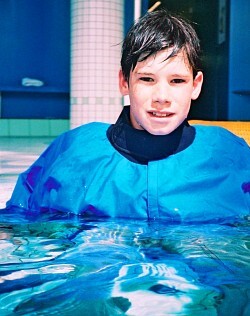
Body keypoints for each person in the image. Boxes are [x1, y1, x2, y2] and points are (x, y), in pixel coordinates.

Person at [5, 10, 250, 223]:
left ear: (195, 85)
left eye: (177, 81)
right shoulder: (75, 150)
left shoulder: (228, 154)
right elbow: (21, 221)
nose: (162, 97)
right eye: (147, 79)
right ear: (124, 82)